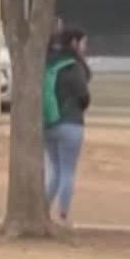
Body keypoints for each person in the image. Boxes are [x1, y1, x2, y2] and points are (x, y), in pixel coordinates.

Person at [42, 28, 92, 226]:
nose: (85, 48)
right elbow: (83, 95)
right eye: (83, 43)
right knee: (68, 171)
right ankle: (63, 215)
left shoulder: (46, 62)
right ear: (74, 43)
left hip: (48, 123)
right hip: (70, 123)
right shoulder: (73, 67)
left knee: (54, 169)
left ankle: (43, 210)